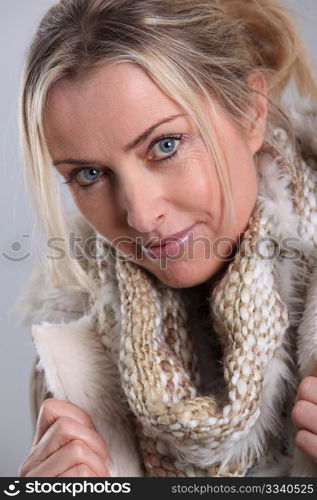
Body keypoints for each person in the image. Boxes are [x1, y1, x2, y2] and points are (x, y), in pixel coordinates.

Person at [11, 0, 317, 477]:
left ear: (251, 113)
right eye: (90, 174)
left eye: (165, 145)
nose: (140, 213)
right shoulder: (71, 366)